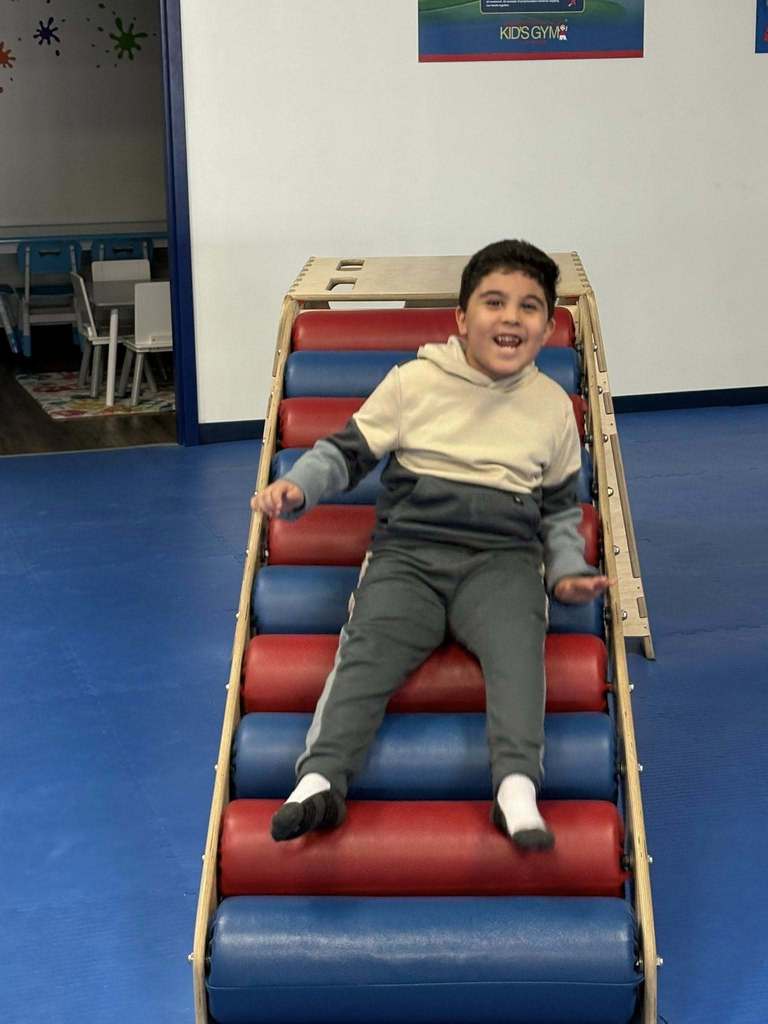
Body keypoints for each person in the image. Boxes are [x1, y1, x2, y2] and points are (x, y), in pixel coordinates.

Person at [251, 239, 610, 851]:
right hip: (408, 558)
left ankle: (516, 788)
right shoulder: (414, 382)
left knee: (520, 649)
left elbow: (556, 508)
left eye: (528, 308)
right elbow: (345, 453)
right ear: (462, 319)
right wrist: (298, 488)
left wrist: (567, 569)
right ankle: (319, 782)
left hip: (502, 563)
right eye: (493, 302)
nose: (510, 318)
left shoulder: (553, 408)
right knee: (365, 652)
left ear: (548, 327)